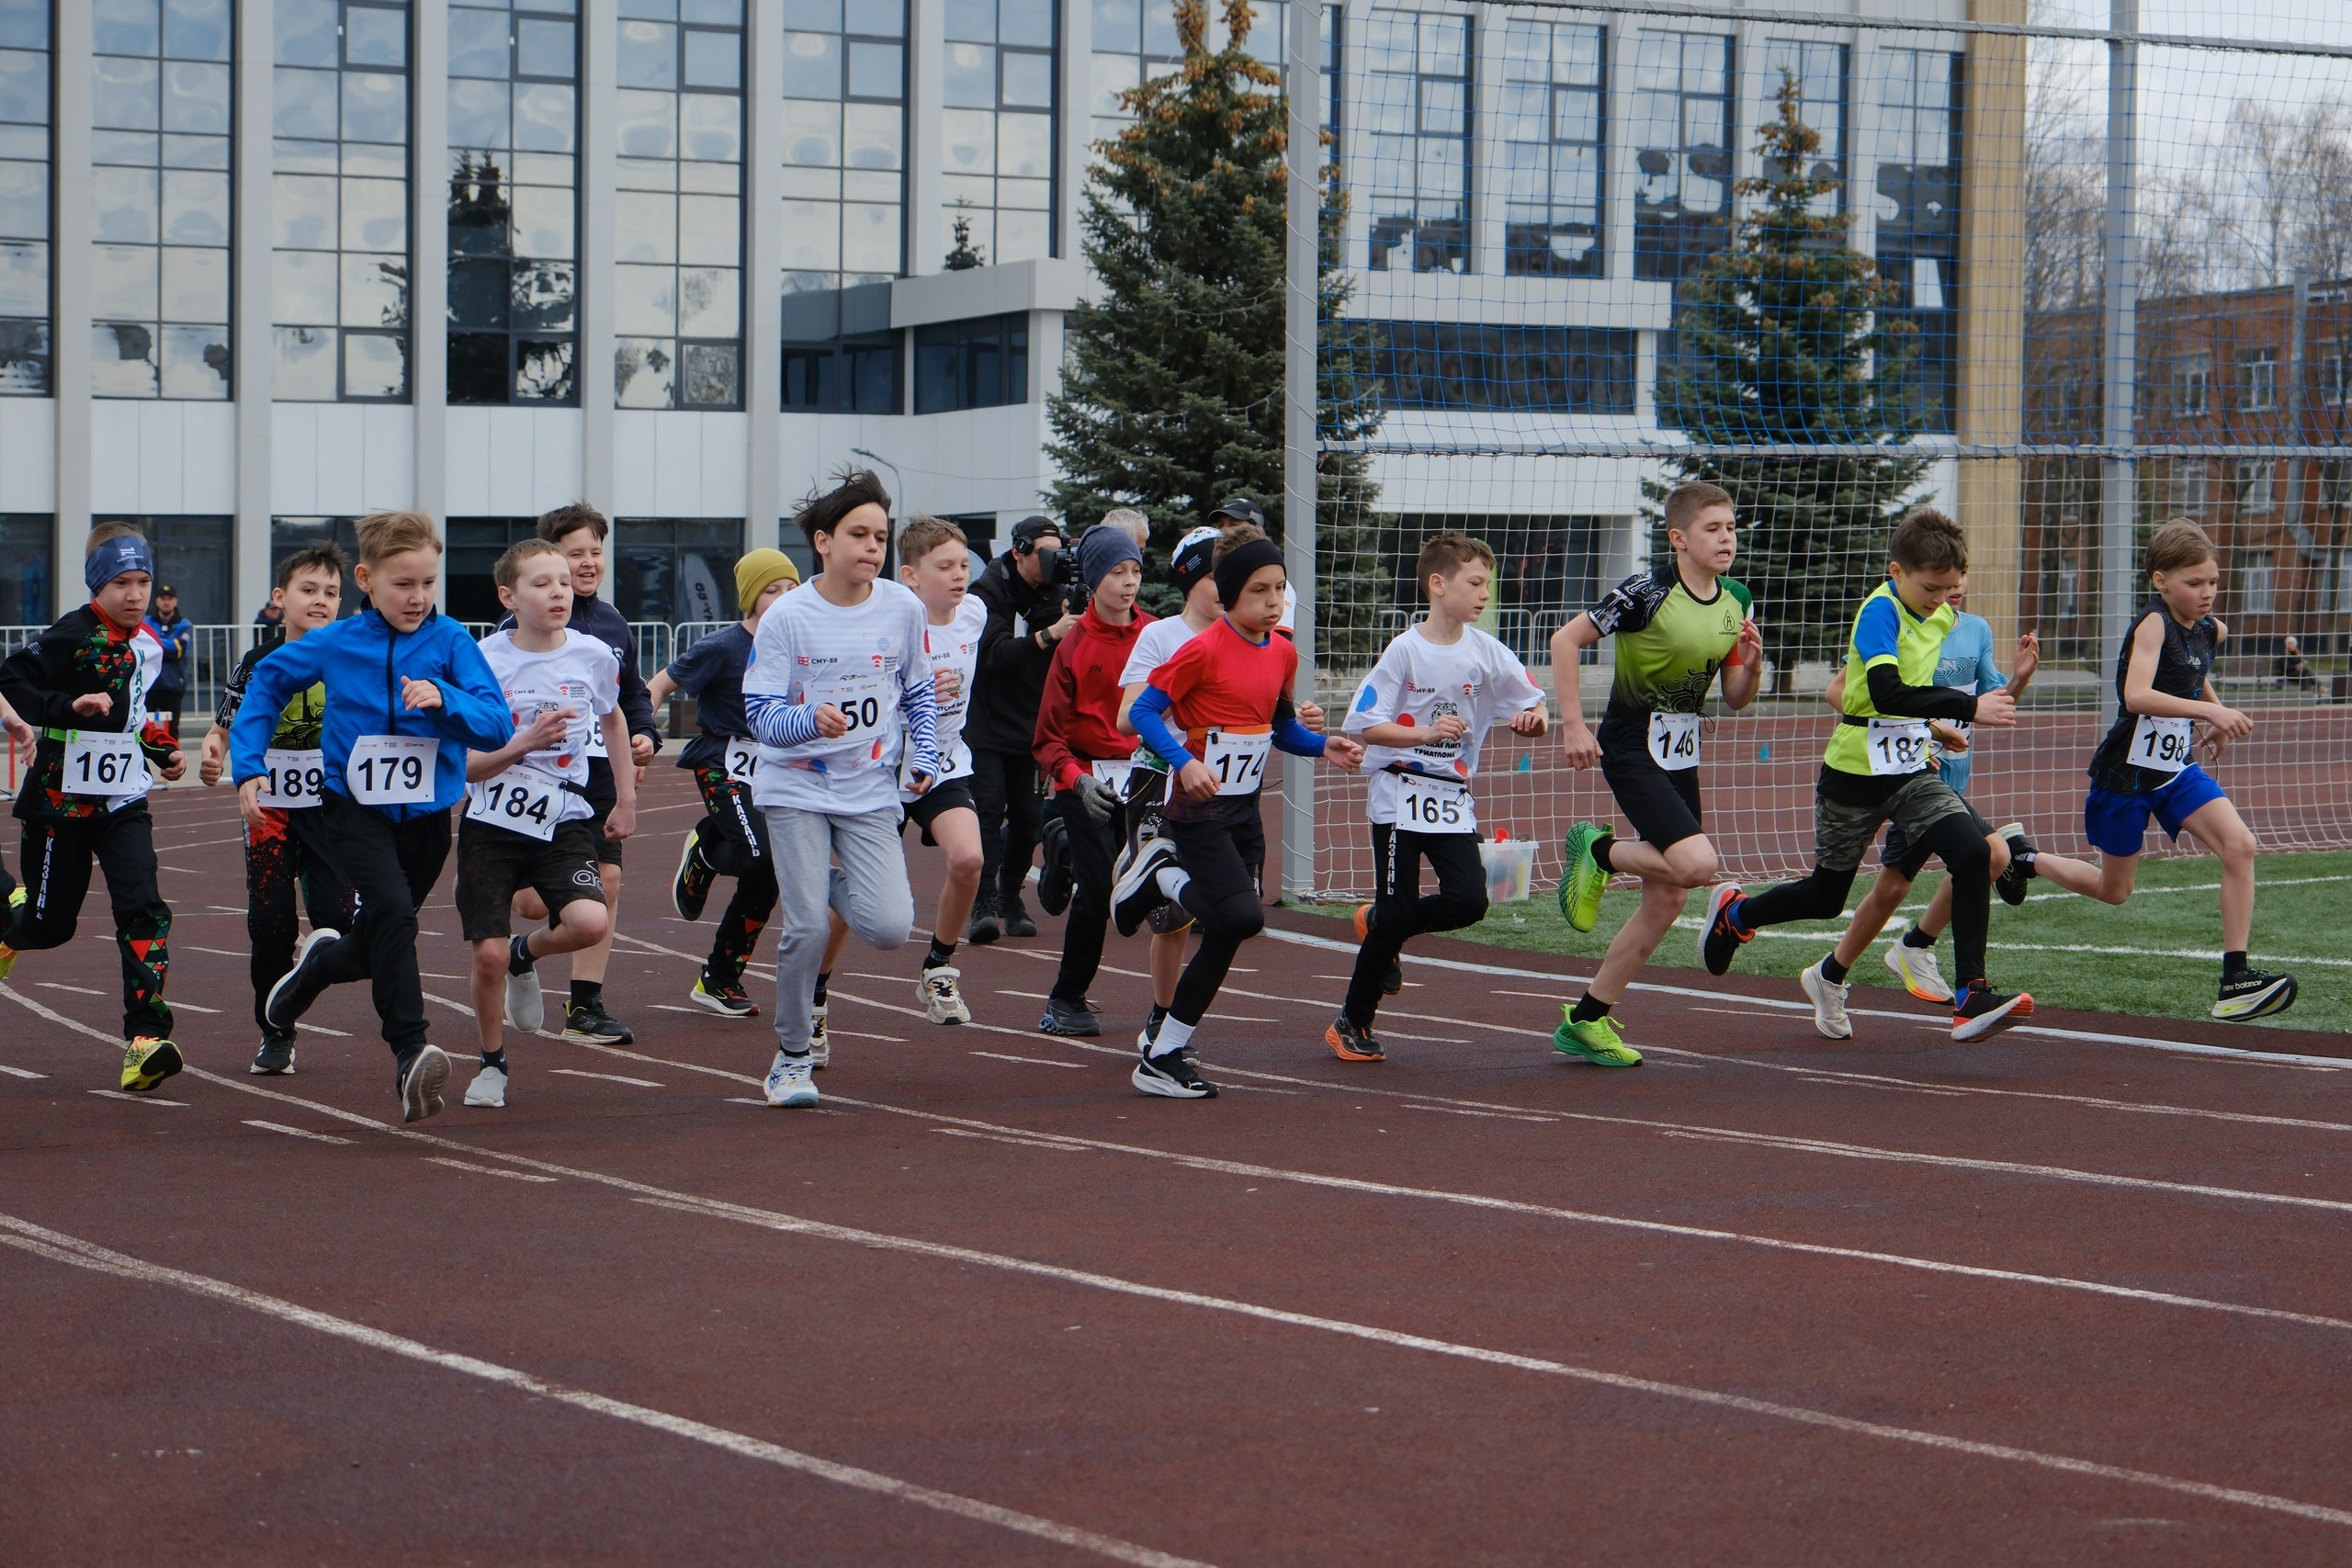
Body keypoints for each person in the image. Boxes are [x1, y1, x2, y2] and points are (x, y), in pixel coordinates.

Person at [1696, 508, 2033, 1042]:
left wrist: (1935, 729)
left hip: (1911, 771)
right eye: (1932, 587)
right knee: (1827, 898)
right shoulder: (1880, 613)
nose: (1943, 599)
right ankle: (1737, 915)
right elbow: (1884, 693)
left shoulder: (1940, 615)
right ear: (1896, 572)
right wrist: (1964, 708)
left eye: (1951, 589)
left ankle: (1972, 993)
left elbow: (1912, 695)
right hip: (1854, 774)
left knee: (1974, 854)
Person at [231, 510, 515, 1122]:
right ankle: (410, 1052)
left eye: (428, 583)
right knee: (390, 913)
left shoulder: (451, 642)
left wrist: (447, 699)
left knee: (378, 936)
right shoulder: (337, 642)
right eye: (403, 584)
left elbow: (497, 722)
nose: (418, 597)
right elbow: (267, 685)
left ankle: (315, 970)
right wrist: (248, 763)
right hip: (354, 808)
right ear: (367, 579)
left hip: (428, 818)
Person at [2000, 518, 2298, 1022]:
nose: (2207, 594)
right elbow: (2136, 695)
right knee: (2113, 891)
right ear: (2161, 581)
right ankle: (2022, 856)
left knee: (2240, 845)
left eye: (2213, 582)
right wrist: (2212, 713)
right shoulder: (2154, 622)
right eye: (2193, 583)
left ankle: (2236, 979)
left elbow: (2192, 670)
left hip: (2174, 769)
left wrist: (2216, 709)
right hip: (2126, 774)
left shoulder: (2208, 627)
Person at [1115, 530, 1364, 1097]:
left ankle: (1164, 1053)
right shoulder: (1200, 650)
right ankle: (1162, 876)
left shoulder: (1281, 651)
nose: (1274, 601)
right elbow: (1145, 713)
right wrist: (1183, 762)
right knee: (1244, 917)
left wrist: (1322, 746)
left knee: (1230, 926)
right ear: (1228, 597)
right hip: (1198, 808)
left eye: (1280, 588)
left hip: (1243, 811)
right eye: (1259, 591)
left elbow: (1280, 727)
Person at [742, 470, 939, 1109]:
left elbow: (917, 689)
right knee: (804, 927)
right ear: (823, 541)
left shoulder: (903, 608)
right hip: (795, 785)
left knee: (889, 927)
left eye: (881, 536)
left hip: (867, 787)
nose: (873, 547)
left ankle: (820, 882)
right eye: (859, 534)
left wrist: (926, 752)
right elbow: (760, 715)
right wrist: (808, 721)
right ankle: (792, 1056)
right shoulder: (788, 618)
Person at [1550, 483, 1761, 1066]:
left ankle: (1586, 1020)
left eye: (1731, 527)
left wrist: (1755, 663)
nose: (1726, 538)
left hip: (1681, 749)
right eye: (1713, 528)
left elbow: (1737, 696)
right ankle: (1600, 852)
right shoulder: (1647, 591)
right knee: (1697, 866)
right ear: (1680, 538)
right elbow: (1565, 640)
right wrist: (1572, 724)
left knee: (1668, 898)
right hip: (1630, 742)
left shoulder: (1738, 598)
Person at [1332, 533, 1547, 1062]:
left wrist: (1531, 723)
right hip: (1397, 792)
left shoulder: (1488, 652)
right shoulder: (1405, 650)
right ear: (1437, 584)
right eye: (1474, 583)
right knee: (1398, 905)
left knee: (1470, 902)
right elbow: (1366, 726)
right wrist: (1423, 736)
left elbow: (1537, 708)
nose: (1484, 595)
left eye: (1488, 586)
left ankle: (1381, 922)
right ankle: (1351, 1022)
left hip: (1451, 795)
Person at [0, 524, 187, 1092]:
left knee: (144, 908)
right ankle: (10, 915)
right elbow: (10, 677)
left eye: (143, 581)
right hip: (61, 806)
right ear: (96, 585)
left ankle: (145, 1040)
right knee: (48, 926)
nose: (134, 594)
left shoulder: (149, 642)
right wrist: (65, 706)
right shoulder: (71, 635)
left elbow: (131, 719)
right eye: (121, 583)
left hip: (124, 799)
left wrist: (162, 750)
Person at [456, 538, 634, 1109]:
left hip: (563, 816)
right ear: (508, 596)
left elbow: (613, 721)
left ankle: (526, 954)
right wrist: (522, 744)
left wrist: (625, 799)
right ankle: (491, 1064)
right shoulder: (483, 660)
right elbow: (464, 764)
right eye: (541, 583)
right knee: (485, 955)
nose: (558, 590)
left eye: (563, 580)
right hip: (490, 822)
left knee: (589, 923)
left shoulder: (593, 654)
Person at [1811, 604, 2039, 1027]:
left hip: (1947, 777)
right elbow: (1839, 691)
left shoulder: (1976, 629)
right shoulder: (1896, 617)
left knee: (1893, 887)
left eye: (1956, 575)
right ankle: (1919, 946)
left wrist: (2020, 677)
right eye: (1937, 578)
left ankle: (1831, 974)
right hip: (1906, 776)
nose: (1949, 587)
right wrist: (1927, 729)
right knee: (1990, 854)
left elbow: (1994, 704)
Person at [812, 515, 989, 1040]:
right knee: (856, 899)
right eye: (944, 567)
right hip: (883, 769)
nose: (959, 576)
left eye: (963, 565)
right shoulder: (891, 620)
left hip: (943, 763)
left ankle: (938, 967)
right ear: (910, 576)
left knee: (970, 859)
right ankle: (816, 995)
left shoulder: (975, 614)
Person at [505, 503, 662, 1045]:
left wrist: (644, 734)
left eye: (597, 552)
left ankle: (585, 1004)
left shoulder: (613, 623)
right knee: (531, 902)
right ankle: (512, 927)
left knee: (608, 882)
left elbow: (630, 694)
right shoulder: (520, 626)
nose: (589, 564)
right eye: (577, 554)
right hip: (536, 780)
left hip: (596, 776)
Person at [198, 544, 356, 1075]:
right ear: (279, 598)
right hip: (269, 810)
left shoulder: (351, 657)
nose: (320, 601)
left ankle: (302, 981)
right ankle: (276, 1032)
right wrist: (214, 749)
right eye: (308, 590)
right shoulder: (258, 662)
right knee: (269, 926)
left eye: (331, 593)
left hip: (332, 810)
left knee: (338, 924)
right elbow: (224, 727)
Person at [655, 547, 798, 1018]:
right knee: (758, 858)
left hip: (776, 767)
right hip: (722, 762)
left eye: (789, 589)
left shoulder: (805, 644)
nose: (780, 598)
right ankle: (706, 847)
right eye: (770, 591)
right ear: (750, 598)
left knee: (770, 872)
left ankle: (719, 979)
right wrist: (639, 728)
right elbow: (660, 684)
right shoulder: (723, 645)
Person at [1031, 524, 1154, 1037]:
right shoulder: (1074, 646)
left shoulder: (1157, 634)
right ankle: (1066, 997)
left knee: (1155, 889)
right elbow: (1046, 740)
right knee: (1100, 886)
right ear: (1094, 578)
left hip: (1146, 777)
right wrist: (1078, 782)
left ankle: (1170, 1011)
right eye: (1116, 572)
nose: (1128, 582)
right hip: (1086, 780)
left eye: (1135, 572)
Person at [965, 514, 1075, 943]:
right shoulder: (988, 590)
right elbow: (992, 655)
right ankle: (983, 899)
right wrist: (1050, 634)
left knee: (1028, 818)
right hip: (989, 719)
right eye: (1044, 555)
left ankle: (1011, 896)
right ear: (1019, 552)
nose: (1051, 564)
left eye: (1057, 554)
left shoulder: (1061, 592)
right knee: (989, 809)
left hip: (1033, 720)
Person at [143, 583, 193, 743]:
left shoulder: (184, 624)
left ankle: (173, 765)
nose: (166, 602)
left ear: (175, 601)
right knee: (141, 727)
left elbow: (179, 651)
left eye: (169, 599)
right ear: (157, 601)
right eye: (162, 599)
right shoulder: (146, 621)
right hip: (148, 684)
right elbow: (142, 646)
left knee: (172, 730)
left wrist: (153, 643)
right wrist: (168, 643)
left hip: (173, 685)